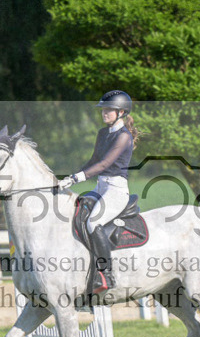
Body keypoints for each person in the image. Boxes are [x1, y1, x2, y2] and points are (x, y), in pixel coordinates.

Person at [58, 89, 140, 294]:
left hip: (116, 190)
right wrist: (71, 176)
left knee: (94, 222)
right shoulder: (103, 133)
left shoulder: (124, 137)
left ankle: (106, 273)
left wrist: (78, 178)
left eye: (109, 110)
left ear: (121, 112)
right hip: (101, 187)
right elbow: (94, 160)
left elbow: (104, 164)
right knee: (76, 211)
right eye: (103, 109)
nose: (104, 113)